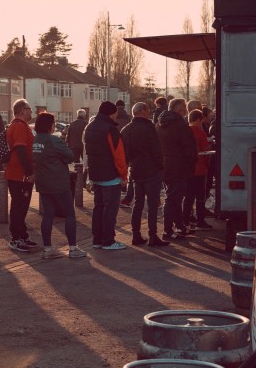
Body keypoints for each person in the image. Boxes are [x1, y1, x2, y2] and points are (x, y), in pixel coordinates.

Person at [32, 112, 86, 259]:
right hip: (58, 181)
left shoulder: (35, 140)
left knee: (48, 214)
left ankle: (48, 249)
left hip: (43, 182)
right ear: (50, 125)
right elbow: (69, 156)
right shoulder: (53, 140)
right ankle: (73, 249)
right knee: (69, 213)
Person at [120, 103, 169, 247]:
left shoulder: (126, 129)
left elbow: (125, 154)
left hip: (135, 171)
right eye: (147, 110)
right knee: (152, 205)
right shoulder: (149, 128)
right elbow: (156, 150)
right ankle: (152, 235)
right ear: (142, 111)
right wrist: (160, 167)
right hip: (151, 171)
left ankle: (136, 235)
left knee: (138, 204)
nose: (149, 113)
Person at [83, 101, 128, 251]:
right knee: (110, 209)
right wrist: (123, 175)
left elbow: (88, 153)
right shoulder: (111, 130)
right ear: (111, 113)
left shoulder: (89, 127)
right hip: (110, 176)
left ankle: (97, 239)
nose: (116, 116)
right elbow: (119, 155)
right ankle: (108, 240)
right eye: (115, 113)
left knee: (98, 208)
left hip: (96, 174)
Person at [156, 98, 197, 240]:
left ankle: (179, 226)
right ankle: (168, 230)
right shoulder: (180, 124)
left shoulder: (160, 124)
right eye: (184, 107)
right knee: (173, 198)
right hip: (179, 166)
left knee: (175, 197)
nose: (186, 110)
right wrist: (192, 162)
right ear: (179, 108)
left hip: (165, 165)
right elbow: (189, 147)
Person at [5, 99, 38, 252]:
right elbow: (20, 150)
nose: (32, 112)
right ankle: (16, 238)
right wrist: (29, 172)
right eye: (30, 109)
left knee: (22, 206)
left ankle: (22, 235)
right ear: (23, 110)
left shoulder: (22, 126)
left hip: (20, 173)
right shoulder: (19, 126)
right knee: (19, 206)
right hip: (19, 174)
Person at [183, 109, 213, 231]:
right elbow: (206, 153)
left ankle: (185, 219)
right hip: (199, 169)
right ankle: (200, 220)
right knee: (200, 197)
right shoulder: (201, 134)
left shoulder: (184, 132)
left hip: (187, 170)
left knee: (188, 197)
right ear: (198, 120)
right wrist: (207, 166)